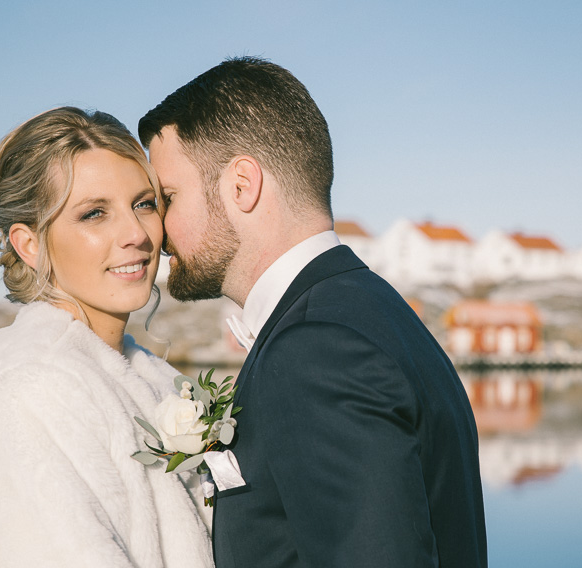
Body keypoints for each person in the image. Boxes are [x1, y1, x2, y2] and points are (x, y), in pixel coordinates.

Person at [139, 57, 487, 567]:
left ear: (242, 185)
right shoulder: (375, 310)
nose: (159, 230)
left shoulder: (316, 347)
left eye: (168, 196)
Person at [0, 107, 214, 568]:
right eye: (94, 214)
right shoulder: (33, 389)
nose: (136, 234)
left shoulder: (143, 373)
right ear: (29, 244)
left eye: (144, 203)